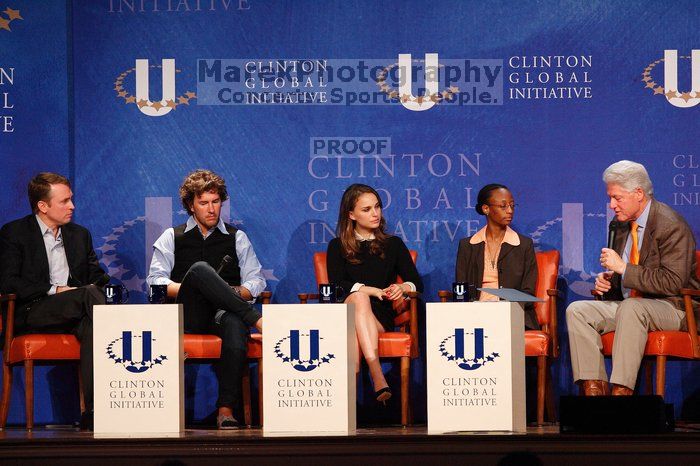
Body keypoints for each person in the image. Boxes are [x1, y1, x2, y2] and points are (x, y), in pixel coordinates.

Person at [566, 160, 700, 396]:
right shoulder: (620, 226)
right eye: (610, 198)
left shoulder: (671, 225)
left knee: (632, 308)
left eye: (617, 197)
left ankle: (622, 393)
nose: (612, 205)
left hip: (674, 308)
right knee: (577, 310)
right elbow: (624, 278)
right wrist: (608, 283)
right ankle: (593, 391)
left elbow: (673, 282)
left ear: (638, 193)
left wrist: (623, 268)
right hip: (632, 306)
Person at [146, 169, 266, 429]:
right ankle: (257, 320)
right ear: (191, 205)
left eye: (216, 202)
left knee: (235, 324)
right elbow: (154, 282)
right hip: (186, 313)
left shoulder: (237, 238)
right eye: (203, 203)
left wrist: (228, 292)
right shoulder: (172, 236)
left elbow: (256, 282)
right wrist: (194, 287)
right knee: (200, 270)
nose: (211, 209)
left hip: (223, 313)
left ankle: (225, 409)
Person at [0, 173, 108, 429]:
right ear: (43, 206)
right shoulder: (14, 233)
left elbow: (97, 277)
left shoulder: (80, 235)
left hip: (77, 311)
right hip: (32, 311)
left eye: (71, 200)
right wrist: (54, 289)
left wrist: (107, 286)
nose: (72, 206)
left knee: (92, 322)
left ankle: (95, 412)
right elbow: (8, 282)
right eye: (65, 201)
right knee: (89, 297)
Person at [326, 184, 423, 402]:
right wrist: (368, 290)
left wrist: (402, 287)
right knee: (358, 298)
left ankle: (344, 405)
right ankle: (376, 372)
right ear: (351, 214)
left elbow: (416, 283)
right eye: (367, 209)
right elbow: (336, 286)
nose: (375, 213)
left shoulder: (393, 244)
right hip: (346, 316)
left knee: (357, 318)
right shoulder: (337, 246)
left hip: (380, 317)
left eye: (377, 207)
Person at [455, 184, 539, 330]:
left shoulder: (524, 244)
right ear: (486, 209)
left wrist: (502, 310)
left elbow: (528, 291)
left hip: (513, 316)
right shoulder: (467, 245)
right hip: (475, 316)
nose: (510, 211)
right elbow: (461, 289)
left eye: (512, 206)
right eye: (503, 206)